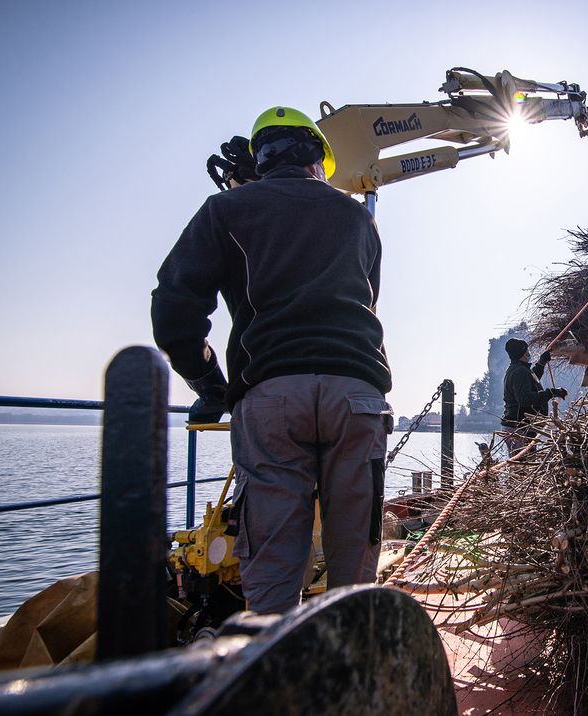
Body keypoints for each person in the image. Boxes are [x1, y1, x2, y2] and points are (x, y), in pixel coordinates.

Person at [151, 106, 393, 614]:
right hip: (357, 395)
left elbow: (175, 306)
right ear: (319, 160)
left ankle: (273, 661)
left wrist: (208, 382)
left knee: (273, 562)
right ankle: (355, 662)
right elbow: (369, 302)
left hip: (271, 394)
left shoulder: (227, 209)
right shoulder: (359, 219)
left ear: (260, 159)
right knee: (356, 560)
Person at [500, 338, 567, 454]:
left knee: (524, 462)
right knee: (522, 464)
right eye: (527, 349)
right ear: (522, 352)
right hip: (518, 428)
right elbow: (525, 399)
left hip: (520, 427)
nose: (528, 352)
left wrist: (541, 362)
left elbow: (532, 378)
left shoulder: (519, 369)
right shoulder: (519, 371)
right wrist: (551, 393)